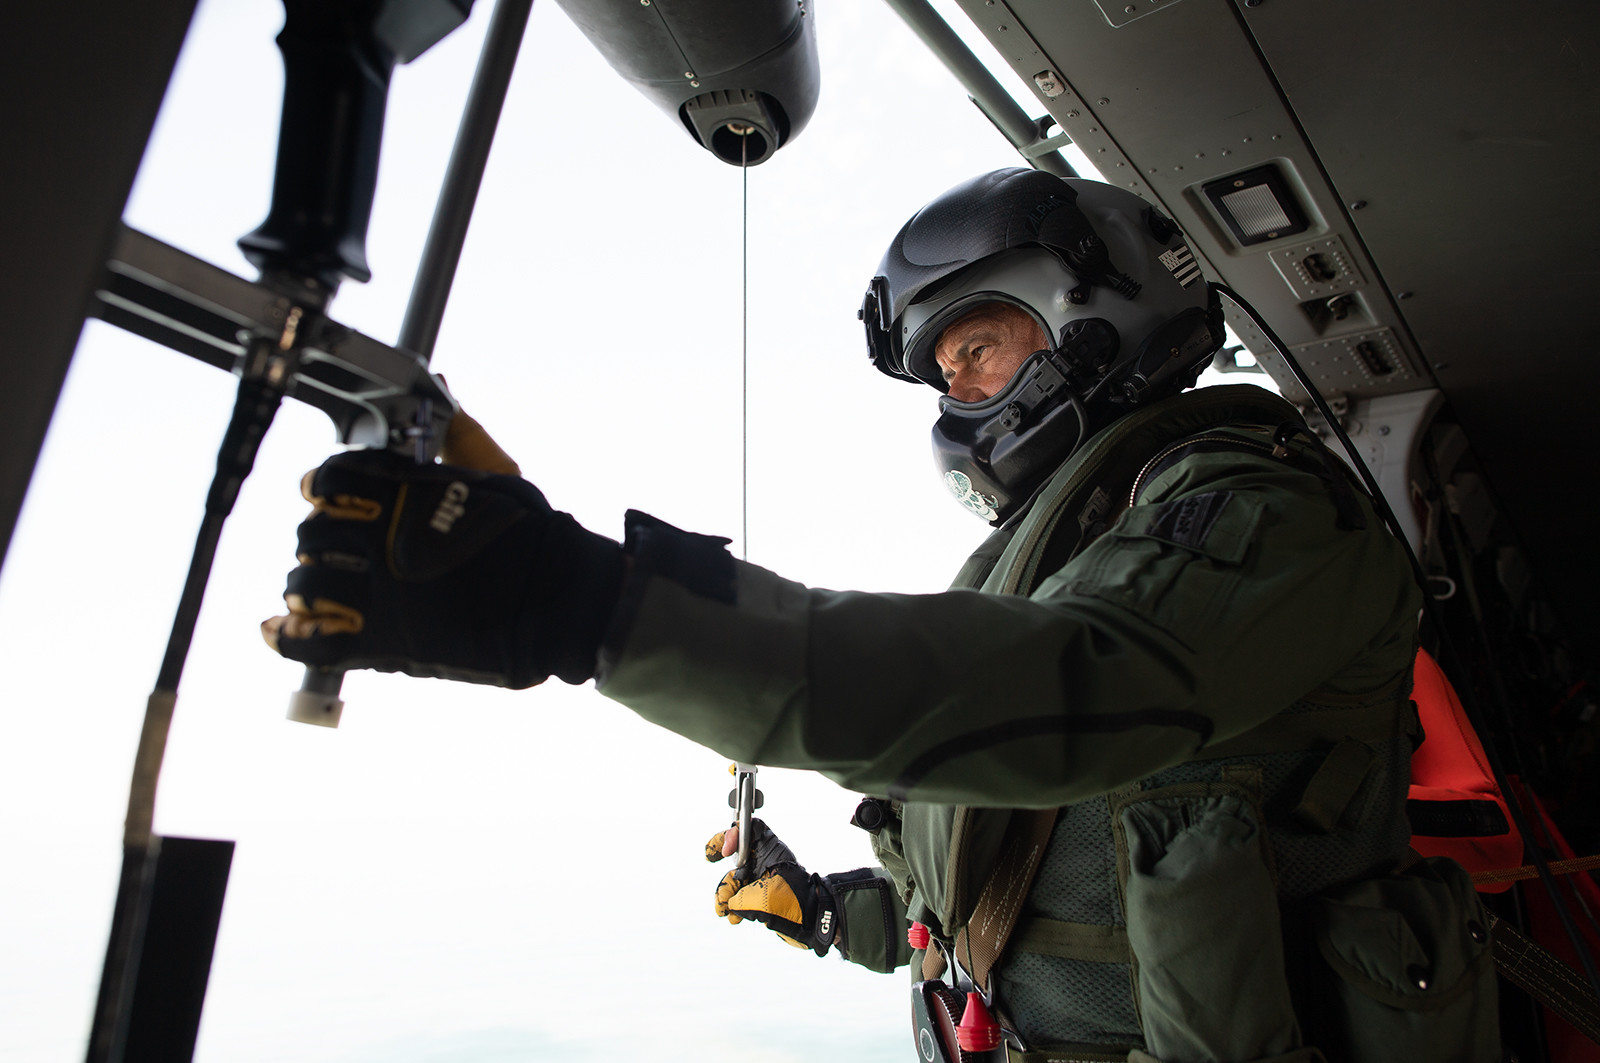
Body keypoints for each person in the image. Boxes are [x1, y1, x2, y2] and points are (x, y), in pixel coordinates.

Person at [264, 169, 1498, 1062]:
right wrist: (824, 910)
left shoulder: (1264, 507)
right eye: (941, 368)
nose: (956, 387)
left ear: (1094, 308)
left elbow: (1072, 693)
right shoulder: (1064, 551)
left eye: (978, 344)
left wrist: (586, 603)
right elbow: (1002, 878)